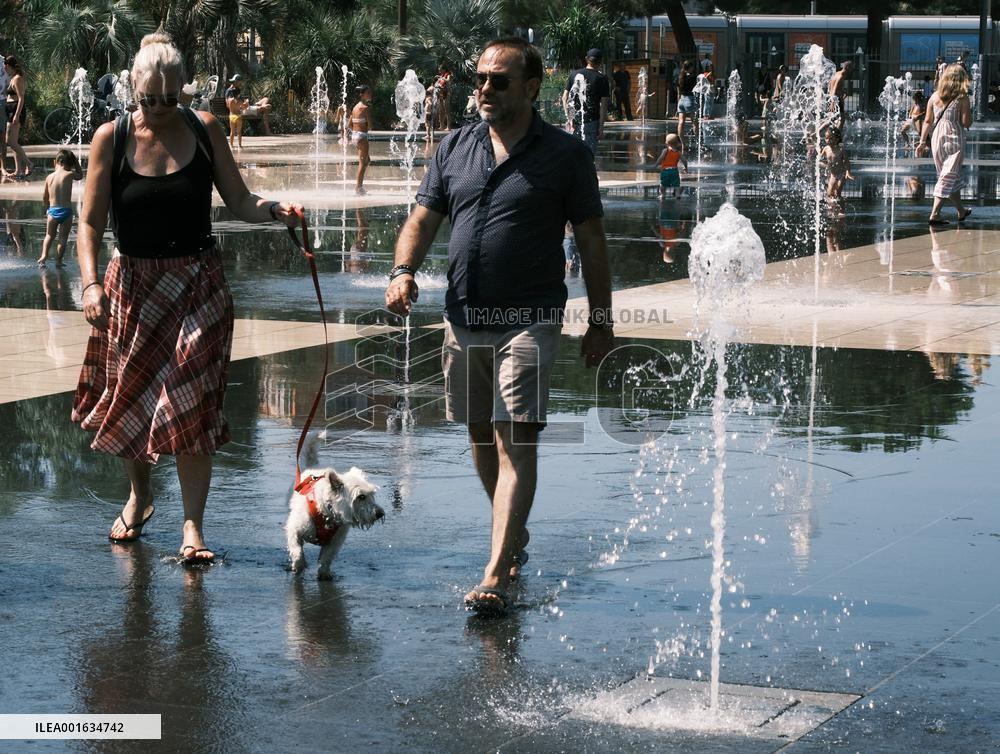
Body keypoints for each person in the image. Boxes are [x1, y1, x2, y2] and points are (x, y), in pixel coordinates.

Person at [384, 37, 613, 617]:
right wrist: (403, 271)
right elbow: (421, 220)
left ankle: (494, 573)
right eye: (479, 78)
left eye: (499, 80)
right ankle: (512, 538)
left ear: (532, 87)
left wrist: (601, 322)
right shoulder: (455, 147)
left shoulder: (565, 155)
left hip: (530, 319)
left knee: (516, 439)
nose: (484, 88)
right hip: (463, 317)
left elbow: (591, 241)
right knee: (480, 436)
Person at [71, 33, 303, 564]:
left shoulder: (204, 129)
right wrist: (90, 284)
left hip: (198, 284)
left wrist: (274, 211)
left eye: (169, 99)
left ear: (183, 90)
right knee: (135, 402)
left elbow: (240, 199)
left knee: (191, 404)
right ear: (134, 89)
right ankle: (140, 495)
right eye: (148, 98)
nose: (158, 109)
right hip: (131, 285)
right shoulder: (112, 136)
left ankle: (193, 529)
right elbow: (89, 221)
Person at [918, 63, 973, 225]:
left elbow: (927, 121)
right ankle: (935, 214)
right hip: (954, 137)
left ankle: (961, 211)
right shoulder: (962, 97)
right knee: (947, 176)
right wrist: (971, 115)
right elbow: (966, 122)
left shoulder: (934, 96)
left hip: (936, 138)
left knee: (947, 175)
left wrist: (922, 141)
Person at [37, 149, 82, 266]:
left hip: (52, 211)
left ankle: (43, 256)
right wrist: (76, 161)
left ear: (57, 162)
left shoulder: (49, 177)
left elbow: (45, 196)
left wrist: (47, 209)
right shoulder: (70, 174)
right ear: (69, 164)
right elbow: (80, 175)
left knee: (49, 235)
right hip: (66, 212)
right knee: (63, 239)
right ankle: (59, 261)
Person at [562, 47, 611, 156]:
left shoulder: (574, 75)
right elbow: (603, 105)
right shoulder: (602, 78)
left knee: (573, 155)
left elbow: (564, 97)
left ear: (586, 59)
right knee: (588, 157)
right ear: (600, 61)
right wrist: (601, 126)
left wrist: (569, 118)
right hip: (591, 122)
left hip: (574, 122)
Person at [4, 56, 32, 177]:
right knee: (13, 141)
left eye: (5, 66)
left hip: (15, 110)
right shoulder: (13, 78)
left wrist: (16, 115)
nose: (4, 69)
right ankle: (18, 170)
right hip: (10, 109)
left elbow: (21, 99)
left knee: (10, 141)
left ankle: (29, 164)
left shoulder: (17, 79)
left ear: (9, 66)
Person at [820, 127, 853, 210]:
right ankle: (832, 208)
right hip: (833, 175)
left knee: (837, 192)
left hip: (841, 174)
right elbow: (820, 159)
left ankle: (841, 208)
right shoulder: (826, 149)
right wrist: (821, 164)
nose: (828, 141)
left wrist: (848, 172)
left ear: (837, 139)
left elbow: (846, 162)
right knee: (829, 193)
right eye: (826, 138)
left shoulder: (841, 150)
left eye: (830, 138)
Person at [350, 85, 373, 195]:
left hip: (355, 135)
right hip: (362, 136)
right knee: (362, 163)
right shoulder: (365, 108)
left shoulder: (355, 107)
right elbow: (370, 126)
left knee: (366, 160)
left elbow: (349, 124)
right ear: (361, 95)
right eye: (368, 93)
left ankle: (359, 186)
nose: (370, 94)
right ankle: (358, 188)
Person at [654, 133, 688, 199]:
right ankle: (677, 194)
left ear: (666, 143)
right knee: (676, 184)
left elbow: (660, 158)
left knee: (663, 184)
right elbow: (684, 160)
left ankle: (663, 195)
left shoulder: (665, 151)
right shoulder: (678, 152)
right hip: (674, 171)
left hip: (665, 171)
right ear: (677, 143)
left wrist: (656, 164)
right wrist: (685, 167)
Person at [676, 59, 697, 142]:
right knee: (694, 122)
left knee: (681, 122)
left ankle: (682, 144)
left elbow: (678, 92)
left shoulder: (681, 77)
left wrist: (678, 103)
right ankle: (699, 143)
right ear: (690, 67)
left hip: (681, 100)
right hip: (690, 99)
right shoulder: (693, 77)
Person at [828, 60, 853, 128]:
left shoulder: (837, 73)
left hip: (833, 98)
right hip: (836, 99)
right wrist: (833, 103)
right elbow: (835, 89)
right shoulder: (841, 76)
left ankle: (818, 132)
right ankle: (837, 135)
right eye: (851, 68)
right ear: (847, 67)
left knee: (833, 119)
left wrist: (842, 90)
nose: (851, 70)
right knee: (841, 120)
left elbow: (831, 86)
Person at [434, 65, 452, 130]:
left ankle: (448, 126)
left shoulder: (448, 75)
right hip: (440, 94)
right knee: (441, 110)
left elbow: (448, 81)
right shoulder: (441, 76)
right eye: (439, 70)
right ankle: (442, 125)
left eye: (440, 69)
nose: (439, 71)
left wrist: (441, 78)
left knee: (447, 110)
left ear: (444, 69)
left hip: (446, 94)